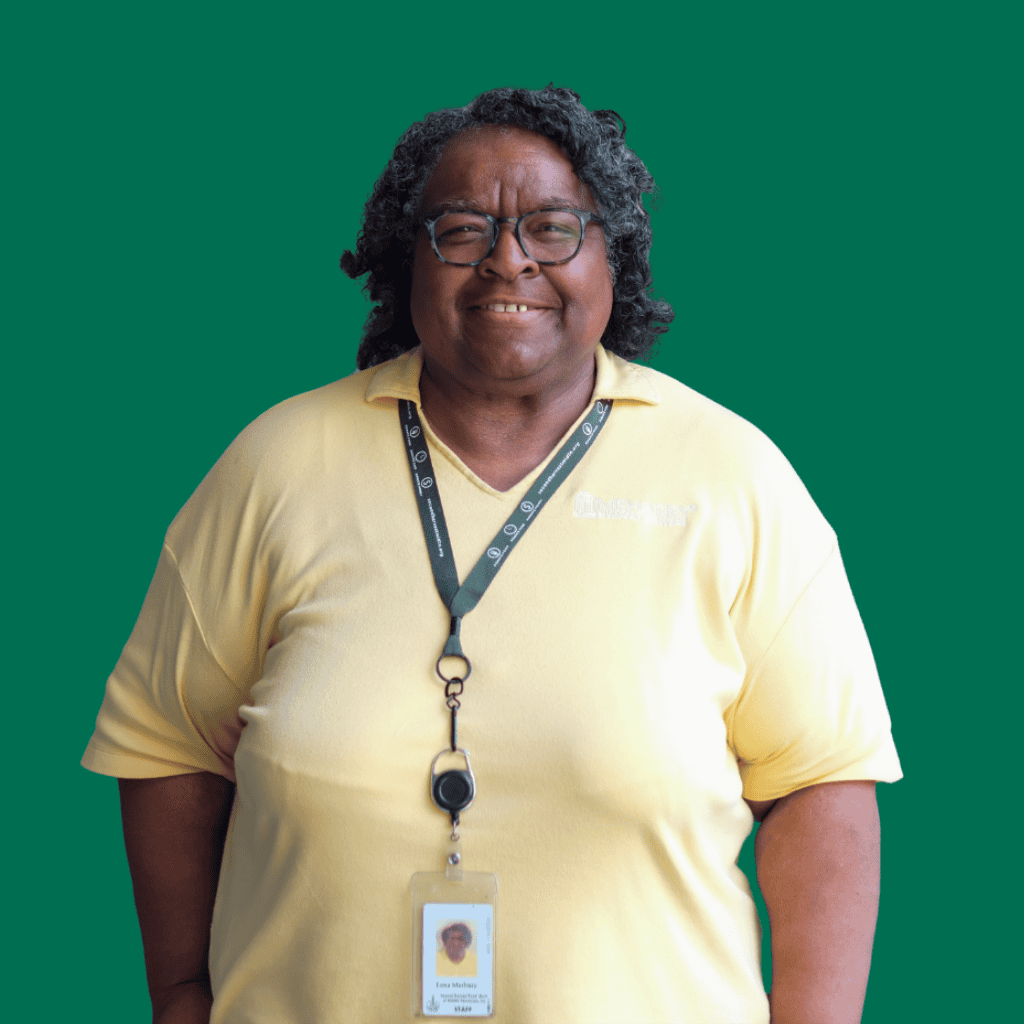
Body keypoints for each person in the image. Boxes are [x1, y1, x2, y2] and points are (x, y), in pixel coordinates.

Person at [83, 85, 901, 1023]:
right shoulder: (276, 466)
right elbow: (164, 742)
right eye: (463, 230)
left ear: (613, 255)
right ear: (408, 257)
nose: (509, 261)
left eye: (554, 227)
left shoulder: (733, 477)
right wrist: (183, 996)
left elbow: (820, 786)